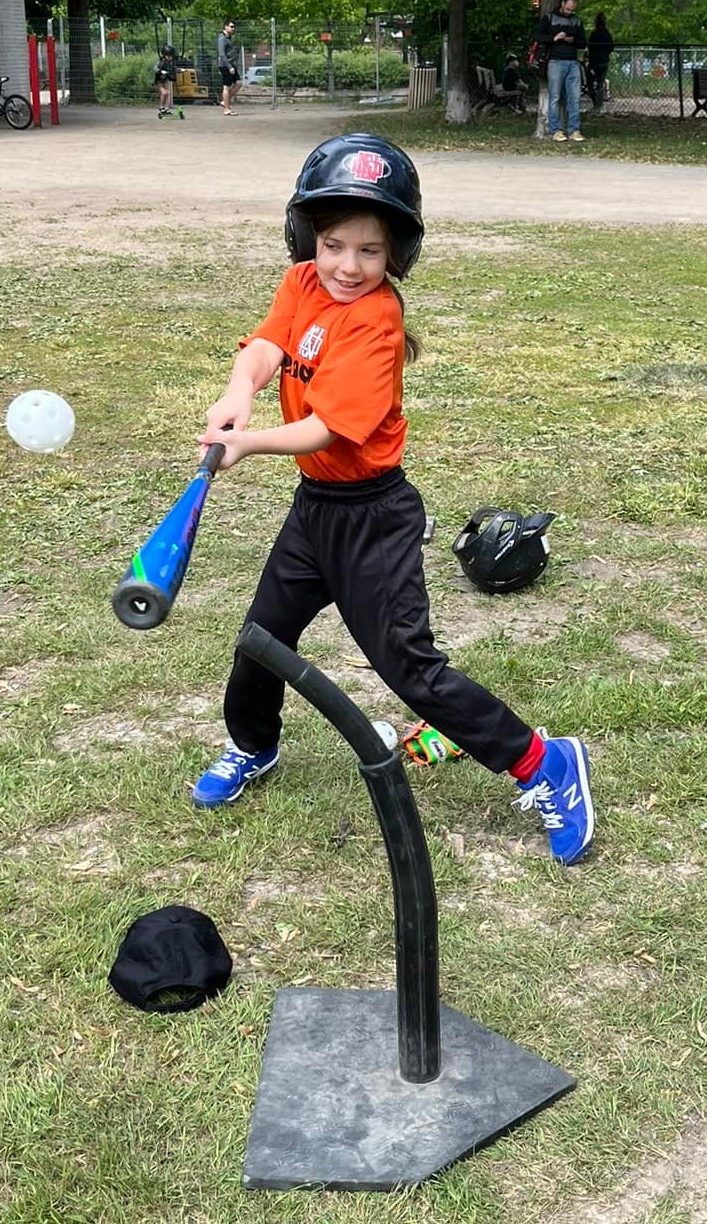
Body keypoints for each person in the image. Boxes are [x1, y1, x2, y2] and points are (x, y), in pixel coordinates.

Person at [189, 133, 597, 867]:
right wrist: (237, 393)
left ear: (396, 254)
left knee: (410, 669)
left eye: (369, 251)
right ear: (308, 236)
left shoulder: (375, 324)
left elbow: (324, 430)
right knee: (263, 639)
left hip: (373, 519)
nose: (348, 266)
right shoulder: (301, 283)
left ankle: (545, 762)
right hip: (315, 512)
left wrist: (248, 444)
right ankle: (253, 746)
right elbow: (266, 346)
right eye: (334, 243)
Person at [535, 0, 588, 142]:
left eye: (572, 10)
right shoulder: (550, 18)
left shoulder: (576, 21)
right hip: (555, 62)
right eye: (568, 9)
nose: (570, 12)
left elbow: (583, 42)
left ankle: (574, 130)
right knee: (555, 97)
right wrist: (554, 38)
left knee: (575, 98)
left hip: (572, 62)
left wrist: (573, 40)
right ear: (562, 3)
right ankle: (556, 130)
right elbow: (537, 36)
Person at [586, 13, 613, 112]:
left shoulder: (594, 34)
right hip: (604, 62)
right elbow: (611, 47)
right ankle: (599, 105)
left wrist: (592, 65)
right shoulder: (607, 34)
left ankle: (596, 104)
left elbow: (591, 49)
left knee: (590, 84)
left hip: (595, 62)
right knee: (600, 84)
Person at [154, 43, 184, 120]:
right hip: (158, 80)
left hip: (164, 80)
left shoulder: (169, 63)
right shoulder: (161, 62)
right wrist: (160, 71)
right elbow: (155, 68)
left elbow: (173, 69)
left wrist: (180, 70)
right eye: (169, 56)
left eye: (171, 56)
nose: (171, 58)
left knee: (168, 93)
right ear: (165, 55)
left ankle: (166, 109)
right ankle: (161, 108)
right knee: (164, 93)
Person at [217, 20, 241, 115]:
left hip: (230, 64)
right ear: (225, 27)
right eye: (231, 26)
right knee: (226, 87)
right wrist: (229, 67)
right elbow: (222, 54)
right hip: (225, 65)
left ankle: (224, 102)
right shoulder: (222, 39)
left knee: (238, 83)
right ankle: (226, 109)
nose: (233, 28)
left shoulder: (228, 38)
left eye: (234, 27)